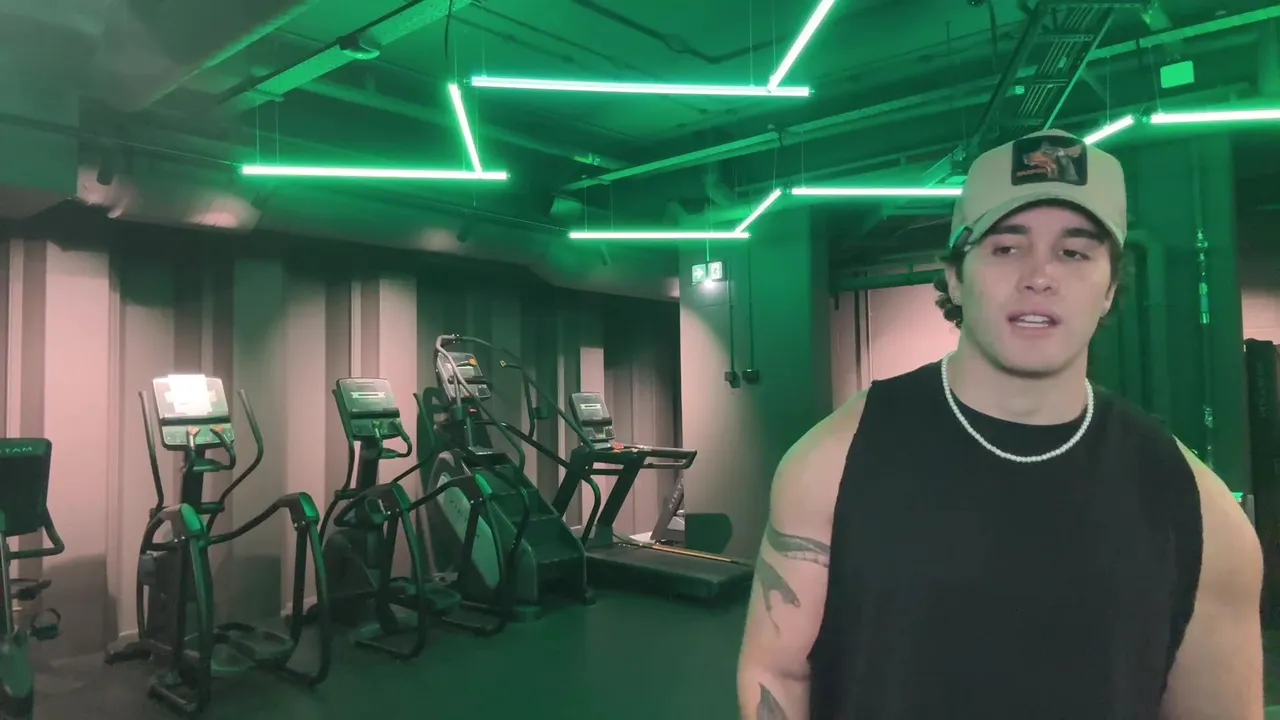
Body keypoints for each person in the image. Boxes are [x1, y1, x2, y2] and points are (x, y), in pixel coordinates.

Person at [736, 129, 1263, 719]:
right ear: (955, 278)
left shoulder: (1198, 511)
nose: (1040, 276)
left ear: (1110, 288)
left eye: (1074, 253)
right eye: (1007, 248)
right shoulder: (830, 463)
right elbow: (777, 673)